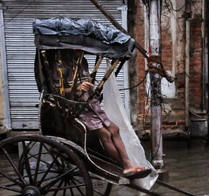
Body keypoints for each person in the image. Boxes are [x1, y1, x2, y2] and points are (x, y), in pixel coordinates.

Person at [51, 50, 151, 179]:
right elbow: (56, 91)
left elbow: (88, 82)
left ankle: (128, 164)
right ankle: (126, 166)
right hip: (73, 106)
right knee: (105, 134)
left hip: (91, 103)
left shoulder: (82, 62)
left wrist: (93, 91)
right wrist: (76, 88)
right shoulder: (59, 65)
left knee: (114, 129)